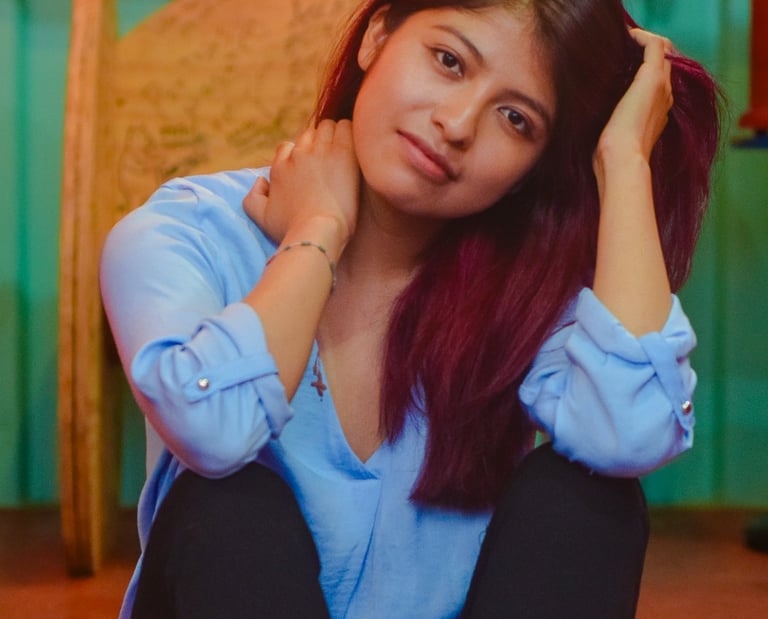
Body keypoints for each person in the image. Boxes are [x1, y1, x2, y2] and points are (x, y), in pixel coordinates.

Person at [100, 0, 721, 617]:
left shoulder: (524, 294)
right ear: (377, 36)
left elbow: (632, 435)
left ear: (534, 167)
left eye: (515, 118)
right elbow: (212, 429)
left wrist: (624, 160)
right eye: (449, 60)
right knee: (228, 503)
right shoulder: (189, 232)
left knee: (589, 502)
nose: (457, 123)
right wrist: (318, 230)